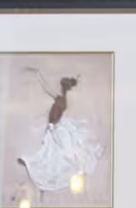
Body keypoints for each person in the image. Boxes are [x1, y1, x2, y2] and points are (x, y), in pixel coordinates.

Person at [15, 68, 104, 200]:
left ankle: (37, 167)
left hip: (56, 127)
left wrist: (52, 124)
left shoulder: (61, 101)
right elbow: (55, 115)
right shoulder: (61, 100)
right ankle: (34, 165)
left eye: (64, 86)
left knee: (54, 150)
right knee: (50, 149)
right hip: (55, 126)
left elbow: (56, 117)